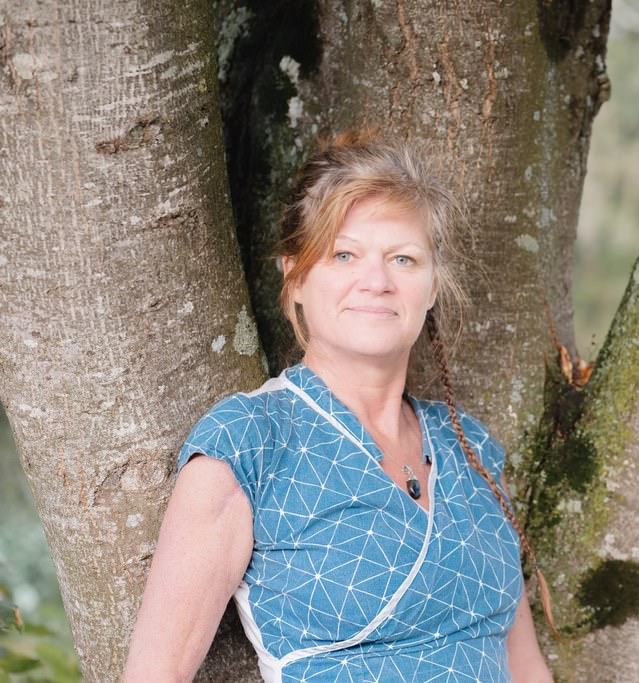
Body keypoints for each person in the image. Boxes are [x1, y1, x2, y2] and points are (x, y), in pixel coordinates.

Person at [124, 132, 553, 682]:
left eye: (403, 259)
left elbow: (525, 666)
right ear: (295, 277)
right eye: (344, 254)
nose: (376, 282)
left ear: (431, 287)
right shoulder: (249, 442)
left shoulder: (470, 446)